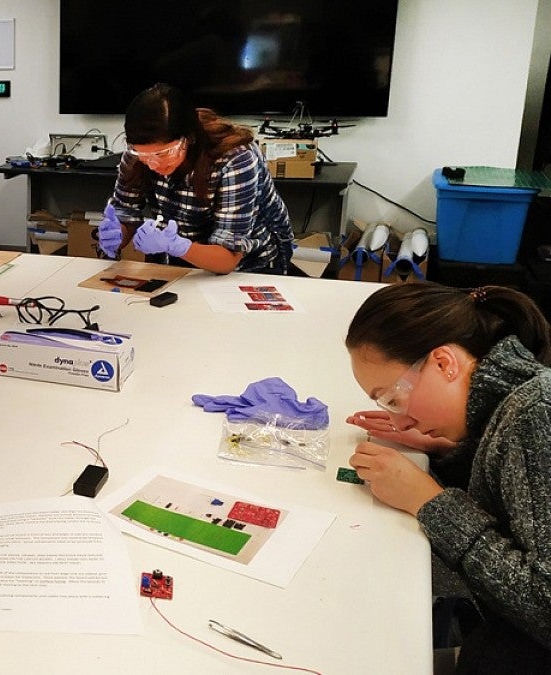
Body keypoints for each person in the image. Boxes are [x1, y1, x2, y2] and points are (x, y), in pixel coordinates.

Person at [344, 281, 551, 672]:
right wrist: (447, 449)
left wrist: (429, 501)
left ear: (443, 363)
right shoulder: (511, 408)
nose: (396, 419)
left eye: (393, 399)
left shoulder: (535, 414)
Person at [99, 83, 294, 274]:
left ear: (189, 138)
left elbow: (228, 259)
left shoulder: (235, 158)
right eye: (144, 155)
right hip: (177, 265)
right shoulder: (135, 157)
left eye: (164, 153)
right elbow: (126, 213)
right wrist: (117, 233)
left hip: (248, 268)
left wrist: (176, 245)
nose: (153, 164)